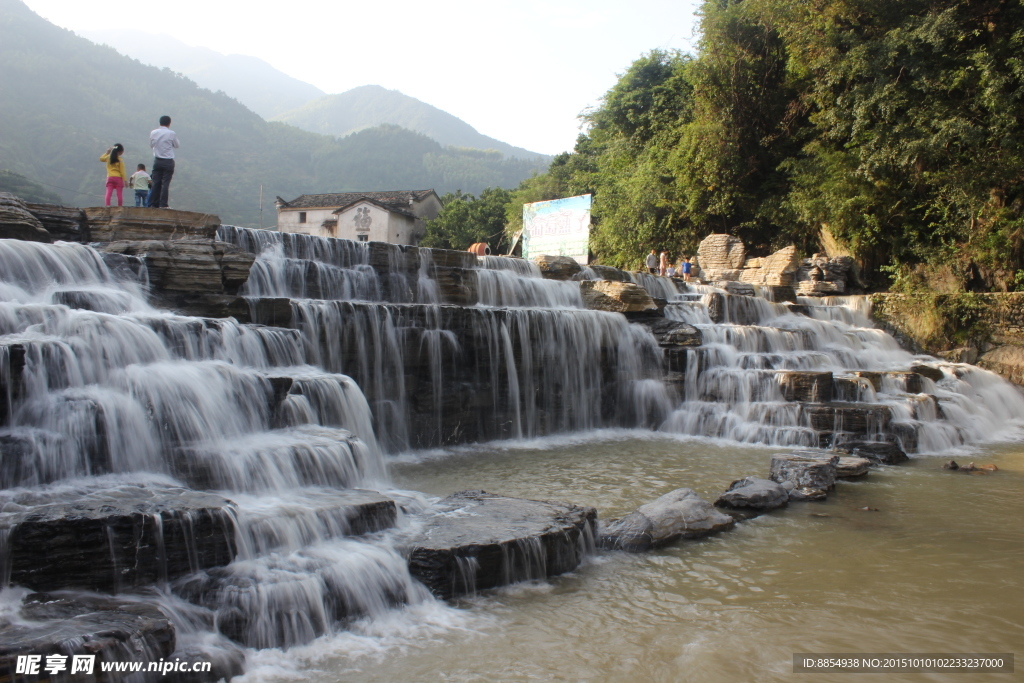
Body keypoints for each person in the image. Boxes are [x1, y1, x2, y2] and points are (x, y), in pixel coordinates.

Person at [148, 115, 179, 208]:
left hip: (157, 160)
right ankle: (163, 204)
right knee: (165, 183)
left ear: (160, 122)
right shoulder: (171, 133)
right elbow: (177, 145)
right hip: (168, 161)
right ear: (169, 123)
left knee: (156, 182)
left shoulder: (153, 132)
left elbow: (151, 145)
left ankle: (154, 204)